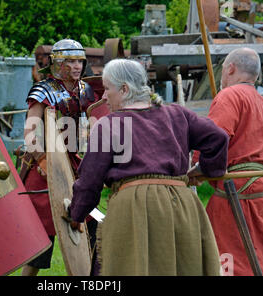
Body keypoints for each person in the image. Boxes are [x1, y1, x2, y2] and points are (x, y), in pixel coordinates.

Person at [67, 59, 229, 276]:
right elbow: (218, 138)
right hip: (181, 206)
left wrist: (76, 214)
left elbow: (90, 181)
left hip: (133, 209)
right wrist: (204, 171)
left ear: (124, 89)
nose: (104, 96)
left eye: (107, 89)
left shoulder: (109, 124)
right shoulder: (178, 114)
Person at [189, 47, 263, 276]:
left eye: (223, 69)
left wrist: (198, 168)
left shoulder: (229, 95)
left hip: (240, 193)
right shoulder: (260, 100)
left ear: (230, 68)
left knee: (231, 263)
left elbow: (214, 139)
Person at [20, 39, 99, 276]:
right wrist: (45, 161)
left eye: (79, 61)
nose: (77, 66)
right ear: (58, 64)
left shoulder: (84, 90)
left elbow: (93, 121)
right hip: (43, 169)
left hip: (73, 165)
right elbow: (30, 132)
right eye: (71, 61)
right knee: (43, 241)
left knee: (90, 225)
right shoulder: (43, 90)